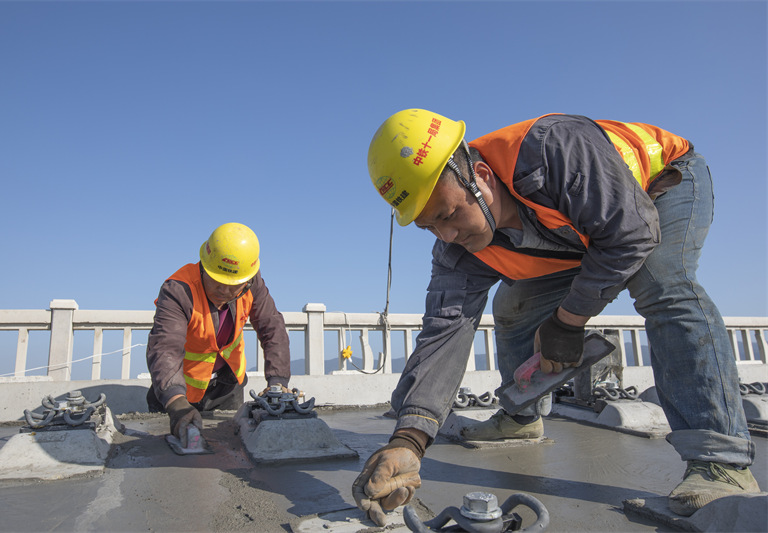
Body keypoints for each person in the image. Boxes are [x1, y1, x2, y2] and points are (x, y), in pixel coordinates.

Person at [352, 109, 758, 523]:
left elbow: (631, 233)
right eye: (429, 227)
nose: (448, 236)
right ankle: (521, 417)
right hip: (578, 230)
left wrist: (568, 319)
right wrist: (410, 438)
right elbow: (444, 332)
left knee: (662, 282)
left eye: (448, 214)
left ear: (482, 178)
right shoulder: (456, 248)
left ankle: (721, 461)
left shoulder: (555, 150)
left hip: (660, 185)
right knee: (513, 307)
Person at [146, 222, 291, 448]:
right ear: (204, 265)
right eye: (217, 282)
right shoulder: (178, 290)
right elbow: (165, 347)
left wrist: (278, 383)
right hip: (179, 391)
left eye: (233, 286)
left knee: (233, 450)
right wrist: (175, 403)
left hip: (227, 386)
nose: (224, 292)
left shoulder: (251, 283)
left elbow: (272, 328)